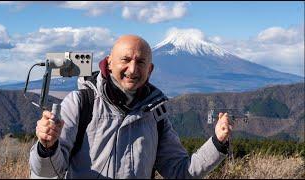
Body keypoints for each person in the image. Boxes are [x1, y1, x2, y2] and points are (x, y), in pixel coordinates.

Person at [29, 35, 232, 179]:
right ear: (109, 63)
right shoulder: (81, 103)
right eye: (125, 60)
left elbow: (180, 172)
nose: (133, 69)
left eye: (141, 62)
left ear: (150, 69)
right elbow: (47, 171)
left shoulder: (155, 113)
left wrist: (217, 143)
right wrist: (47, 147)